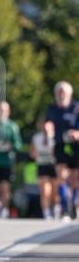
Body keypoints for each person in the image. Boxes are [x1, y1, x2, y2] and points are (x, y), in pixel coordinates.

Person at [45, 81, 79, 220]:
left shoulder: (76, 108)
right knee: (61, 177)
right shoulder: (52, 109)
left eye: (63, 91)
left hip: (76, 146)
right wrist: (48, 128)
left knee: (75, 179)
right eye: (59, 92)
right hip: (59, 145)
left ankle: (75, 206)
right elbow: (48, 122)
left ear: (69, 94)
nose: (61, 94)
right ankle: (65, 209)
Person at [29, 117, 57, 220]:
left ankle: (56, 208)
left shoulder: (55, 136)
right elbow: (31, 153)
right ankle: (46, 212)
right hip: (42, 165)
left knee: (55, 190)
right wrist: (35, 153)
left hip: (54, 165)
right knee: (45, 190)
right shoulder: (36, 137)